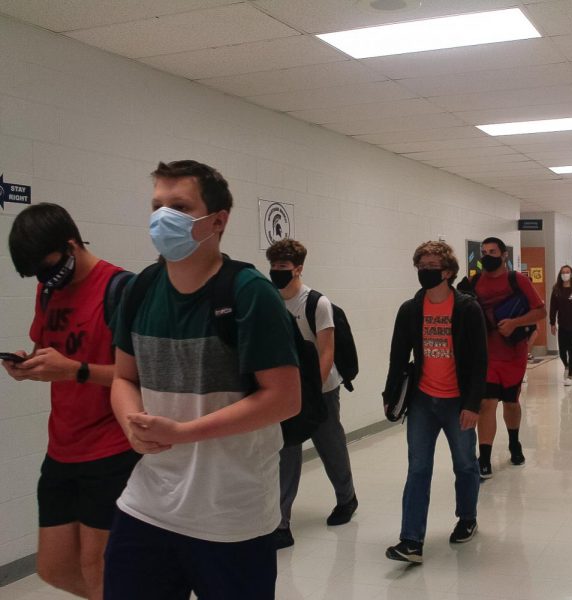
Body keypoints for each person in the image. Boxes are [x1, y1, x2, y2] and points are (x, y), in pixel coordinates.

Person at [104, 160, 301, 599]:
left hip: (231, 516)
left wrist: (184, 432)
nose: (162, 218)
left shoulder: (250, 293)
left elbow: (285, 398)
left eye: (179, 206)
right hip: (148, 504)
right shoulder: (139, 290)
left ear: (218, 221)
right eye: (157, 206)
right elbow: (122, 377)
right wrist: (131, 422)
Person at [2, 204, 139, 600]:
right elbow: (46, 348)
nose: (44, 279)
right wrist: (29, 365)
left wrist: (76, 370)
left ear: (70, 244)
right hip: (62, 448)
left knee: (99, 570)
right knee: (54, 567)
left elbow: (144, 376)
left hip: (112, 448)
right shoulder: (48, 291)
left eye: (47, 267)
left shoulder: (120, 289)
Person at [383, 241, 487, 564]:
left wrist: (473, 404)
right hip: (423, 403)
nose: (424, 270)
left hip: (458, 402)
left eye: (430, 265)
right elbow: (398, 357)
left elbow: (480, 361)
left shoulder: (468, 309)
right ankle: (411, 541)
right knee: (418, 469)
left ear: (448, 272)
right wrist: (391, 397)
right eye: (420, 265)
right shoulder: (410, 310)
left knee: (465, 465)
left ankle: (467, 517)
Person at [266, 239, 358, 550]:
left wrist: (311, 394)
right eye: (274, 267)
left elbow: (326, 351)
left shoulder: (317, 303)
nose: (277, 272)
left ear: (299, 268)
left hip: (321, 390)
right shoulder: (271, 300)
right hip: (285, 390)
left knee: (329, 444)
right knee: (287, 452)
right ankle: (281, 522)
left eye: (283, 267)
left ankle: (347, 498)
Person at [471, 237, 545, 478]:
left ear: (504, 255)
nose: (487, 256)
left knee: (511, 403)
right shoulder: (474, 282)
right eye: (484, 252)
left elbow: (540, 311)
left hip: (514, 353)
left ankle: (514, 443)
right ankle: (484, 457)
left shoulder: (517, 280)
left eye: (492, 251)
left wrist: (515, 323)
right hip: (487, 354)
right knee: (487, 403)